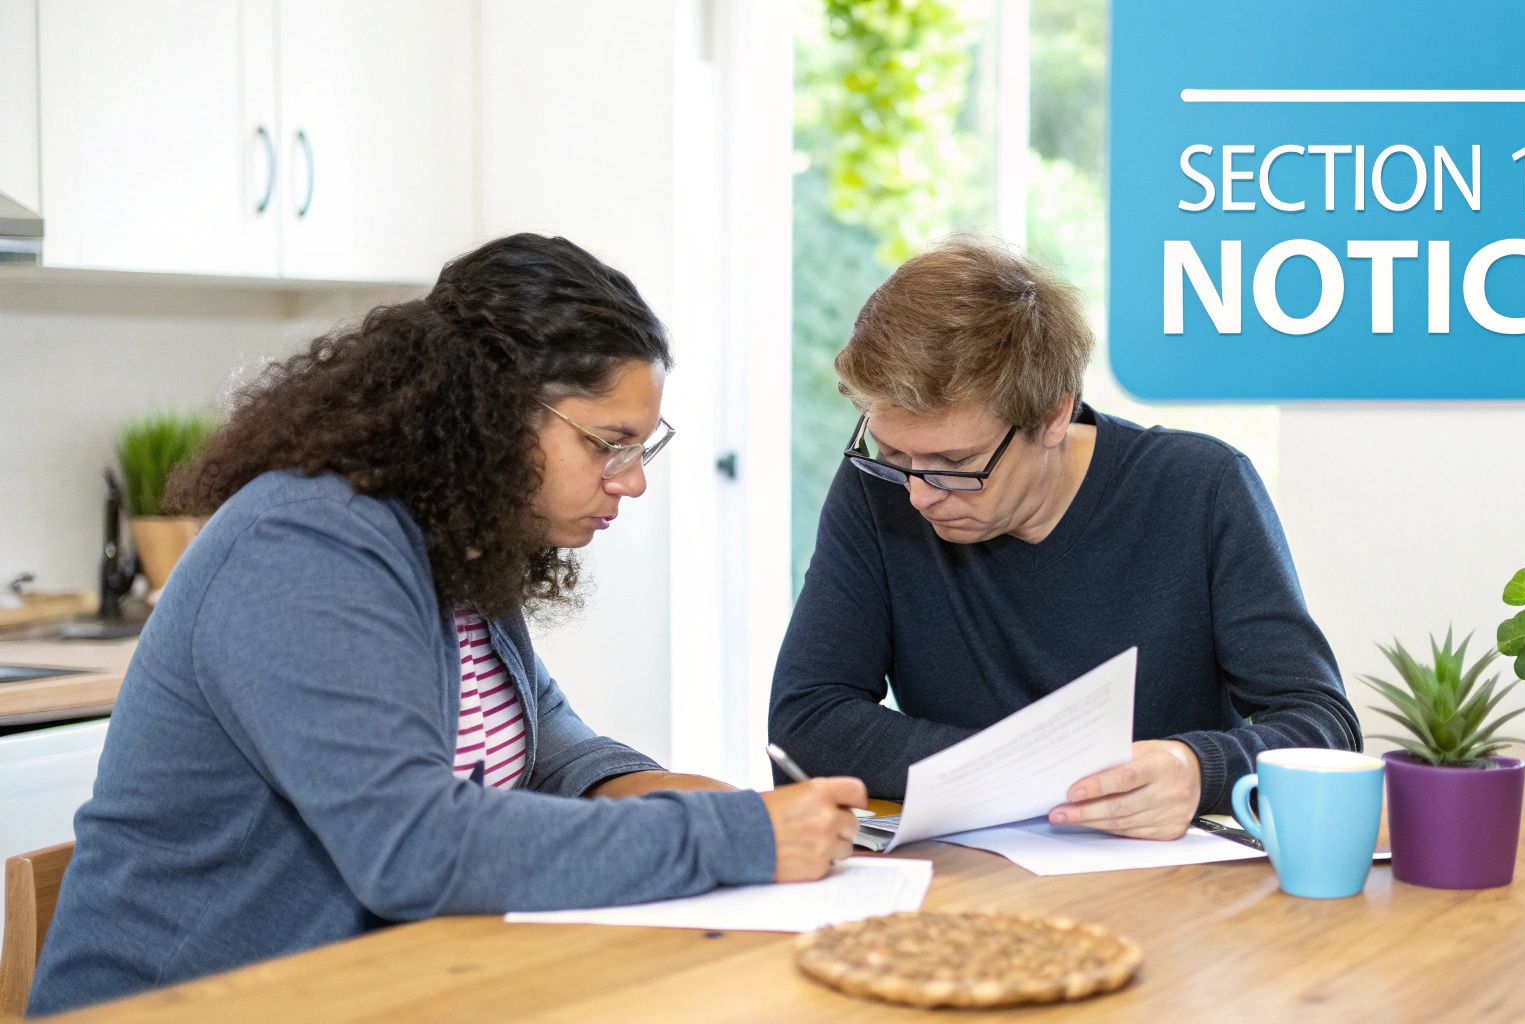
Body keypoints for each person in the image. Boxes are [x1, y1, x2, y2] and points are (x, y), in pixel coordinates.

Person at [29, 234, 863, 1017]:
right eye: (609, 443)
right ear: (494, 412)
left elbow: (545, 740)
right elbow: (414, 847)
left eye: (643, 447)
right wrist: (732, 837)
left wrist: (676, 794)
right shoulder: (306, 545)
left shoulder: (456, 537)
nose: (632, 482)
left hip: (369, 986)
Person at [769, 237, 1358, 841]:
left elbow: (1324, 726)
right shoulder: (878, 488)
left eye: (955, 462)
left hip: (1166, 883)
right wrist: (1033, 771)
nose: (919, 493)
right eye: (893, 452)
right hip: (963, 878)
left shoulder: (1200, 487)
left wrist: (1196, 767)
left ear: (1054, 416)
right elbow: (806, 725)